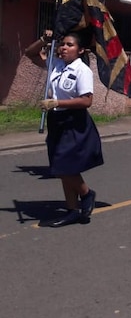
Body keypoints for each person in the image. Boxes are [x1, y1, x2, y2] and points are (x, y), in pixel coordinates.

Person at [24, 30, 103, 227]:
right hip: (56, 120)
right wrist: (44, 40)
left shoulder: (82, 70)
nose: (64, 48)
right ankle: (72, 210)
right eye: (63, 44)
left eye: (69, 45)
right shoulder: (56, 64)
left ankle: (85, 194)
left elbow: (87, 100)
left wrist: (58, 102)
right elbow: (30, 53)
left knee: (65, 165)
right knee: (60, 168)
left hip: (74, 121)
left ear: (80, 50)